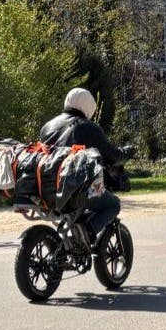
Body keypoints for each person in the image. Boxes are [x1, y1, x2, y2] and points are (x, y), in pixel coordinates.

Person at [38, 88, 131, 243]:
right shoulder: (87, 127)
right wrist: (126, 152)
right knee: (113, 204)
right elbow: (112, 155)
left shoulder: (48, 126)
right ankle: (87, 231)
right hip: (73, 191)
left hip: (46, 190)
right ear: (88, 107)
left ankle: (73, 237)